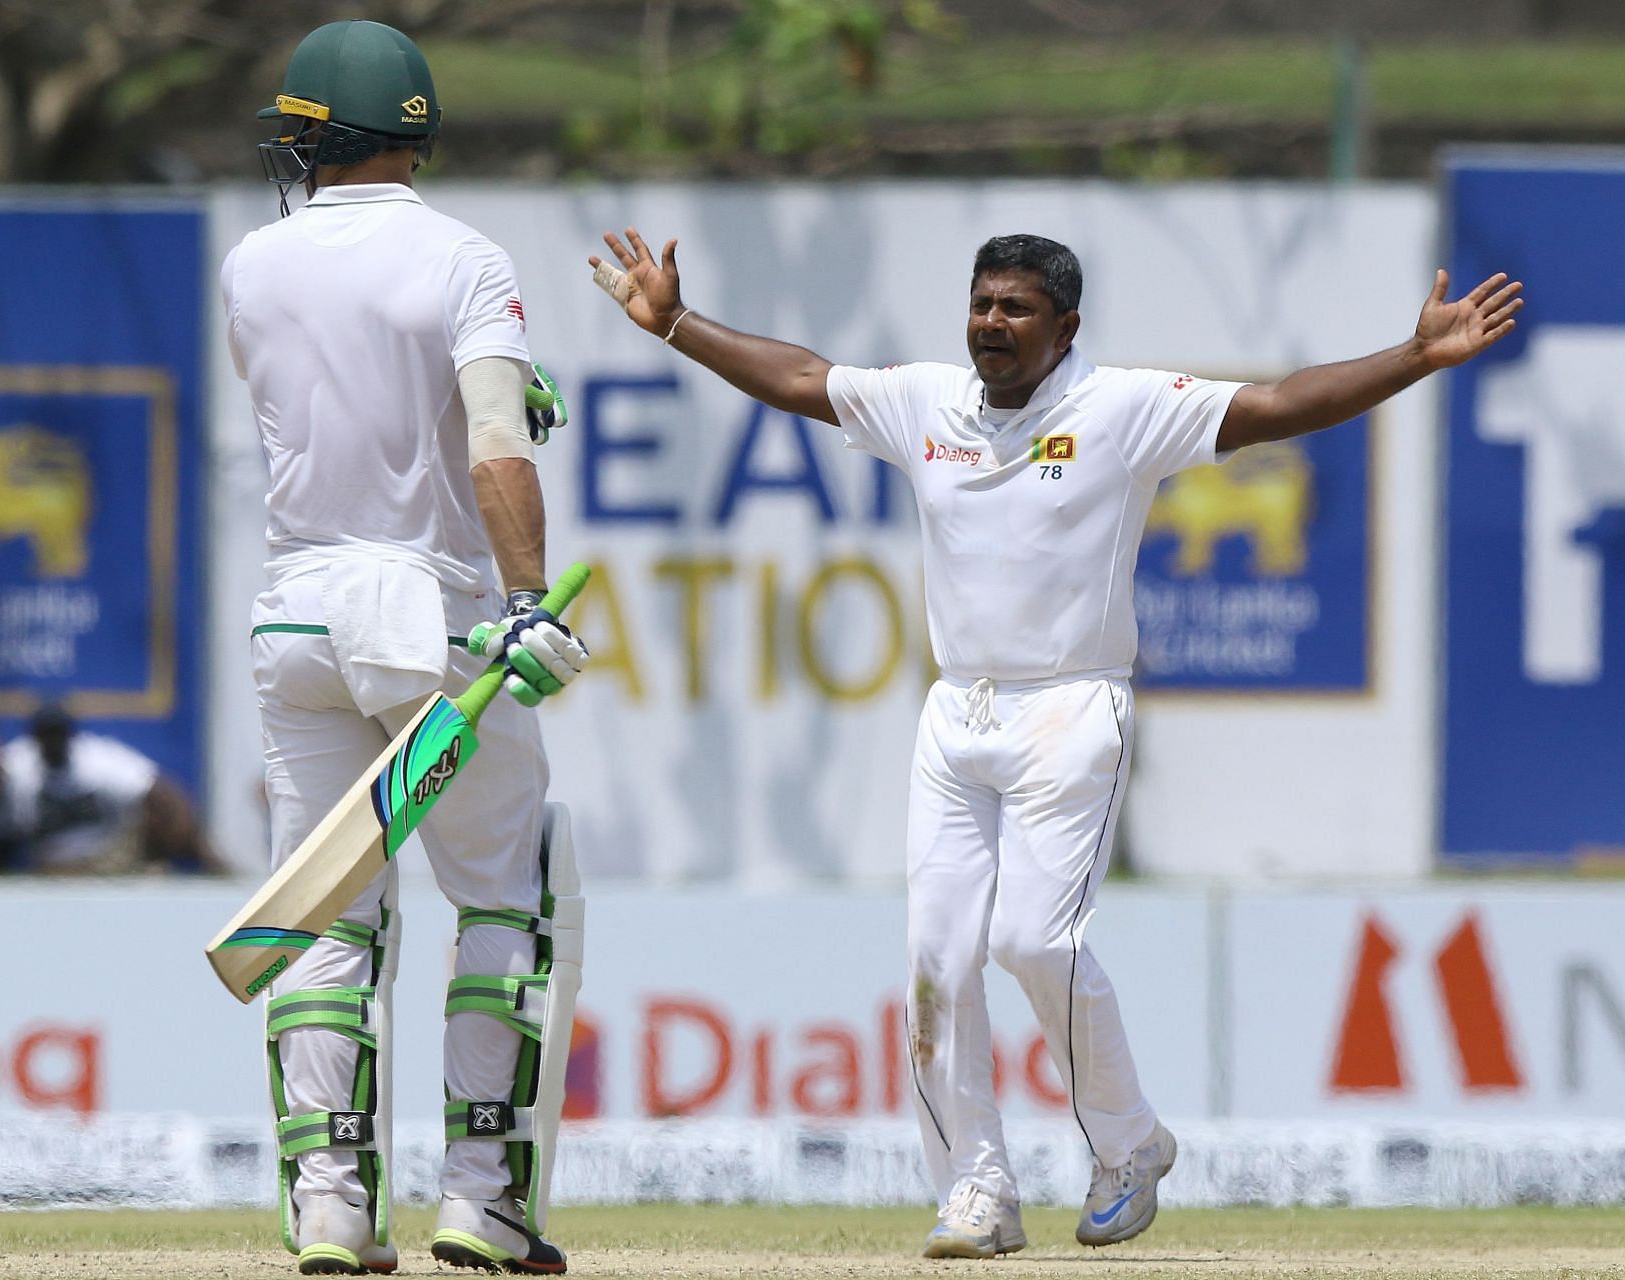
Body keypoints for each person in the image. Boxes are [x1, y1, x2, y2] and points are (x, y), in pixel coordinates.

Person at [589, 228, 1520, 1256]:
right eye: (983, 303)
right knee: (938, 963)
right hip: (957, 715)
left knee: (1033, 940)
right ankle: (976, 1193)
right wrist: (675, 321)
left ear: (1065, 326)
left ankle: (1129, 1146)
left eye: (1017, 308)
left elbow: (1271, 407)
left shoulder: (1119, 408)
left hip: (1072, 709)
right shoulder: (929, 401)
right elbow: (807, 378)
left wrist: (1411, 355)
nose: (992, 322)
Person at [223, 20, 587, 1277]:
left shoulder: (249, 266)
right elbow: (497, 442)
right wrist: (530, 596)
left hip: (294, 619)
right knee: (507, 894)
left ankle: (330, 1204)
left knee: (328, 916)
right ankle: (482, 1195)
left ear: (321, 133)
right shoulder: (464, 257)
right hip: (426, 612)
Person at [0, 703, 220, 874]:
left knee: (162, 813)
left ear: (70, 734)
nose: (53, 741)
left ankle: (221, 875)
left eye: (58, 733)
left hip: (106, 859)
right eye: (46, 734)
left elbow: (161, 791)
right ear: (35, 737)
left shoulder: (97, 761)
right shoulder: (19, 765)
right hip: (50, 865)